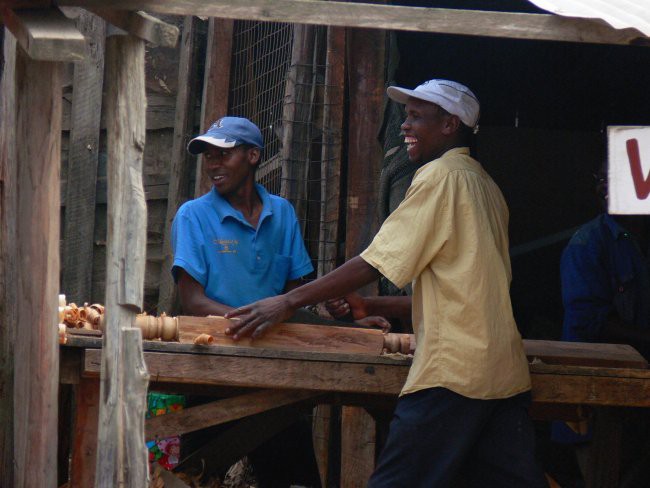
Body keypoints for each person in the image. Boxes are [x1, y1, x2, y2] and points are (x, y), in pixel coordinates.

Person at [225, 79, 548, 487]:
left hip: (454, 373)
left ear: (450, 125)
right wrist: (372, 307)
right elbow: (465, 291)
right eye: (406, 115)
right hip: (502, 373)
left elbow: (373, 262)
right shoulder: (484, 185)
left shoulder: (440, 177)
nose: (404, 126)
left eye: (416, 116)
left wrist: (287, 302)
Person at [170, 116, 320, 487]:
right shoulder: (194, 215)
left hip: (275, 366)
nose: (214, 165)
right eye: (208, 156)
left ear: (253, 156)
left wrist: (345, 318)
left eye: (224, 154)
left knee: (291, 472)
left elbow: (296, 291)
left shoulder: (281, 212)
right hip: (213, 364)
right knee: (198, 474)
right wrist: (259, 318)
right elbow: (193, 301)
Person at [555, 166, 650, 486]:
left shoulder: (637, 240)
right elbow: (587, 323)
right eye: (601, 181)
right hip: (600, 399)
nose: (605, 189)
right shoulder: (587, 245)